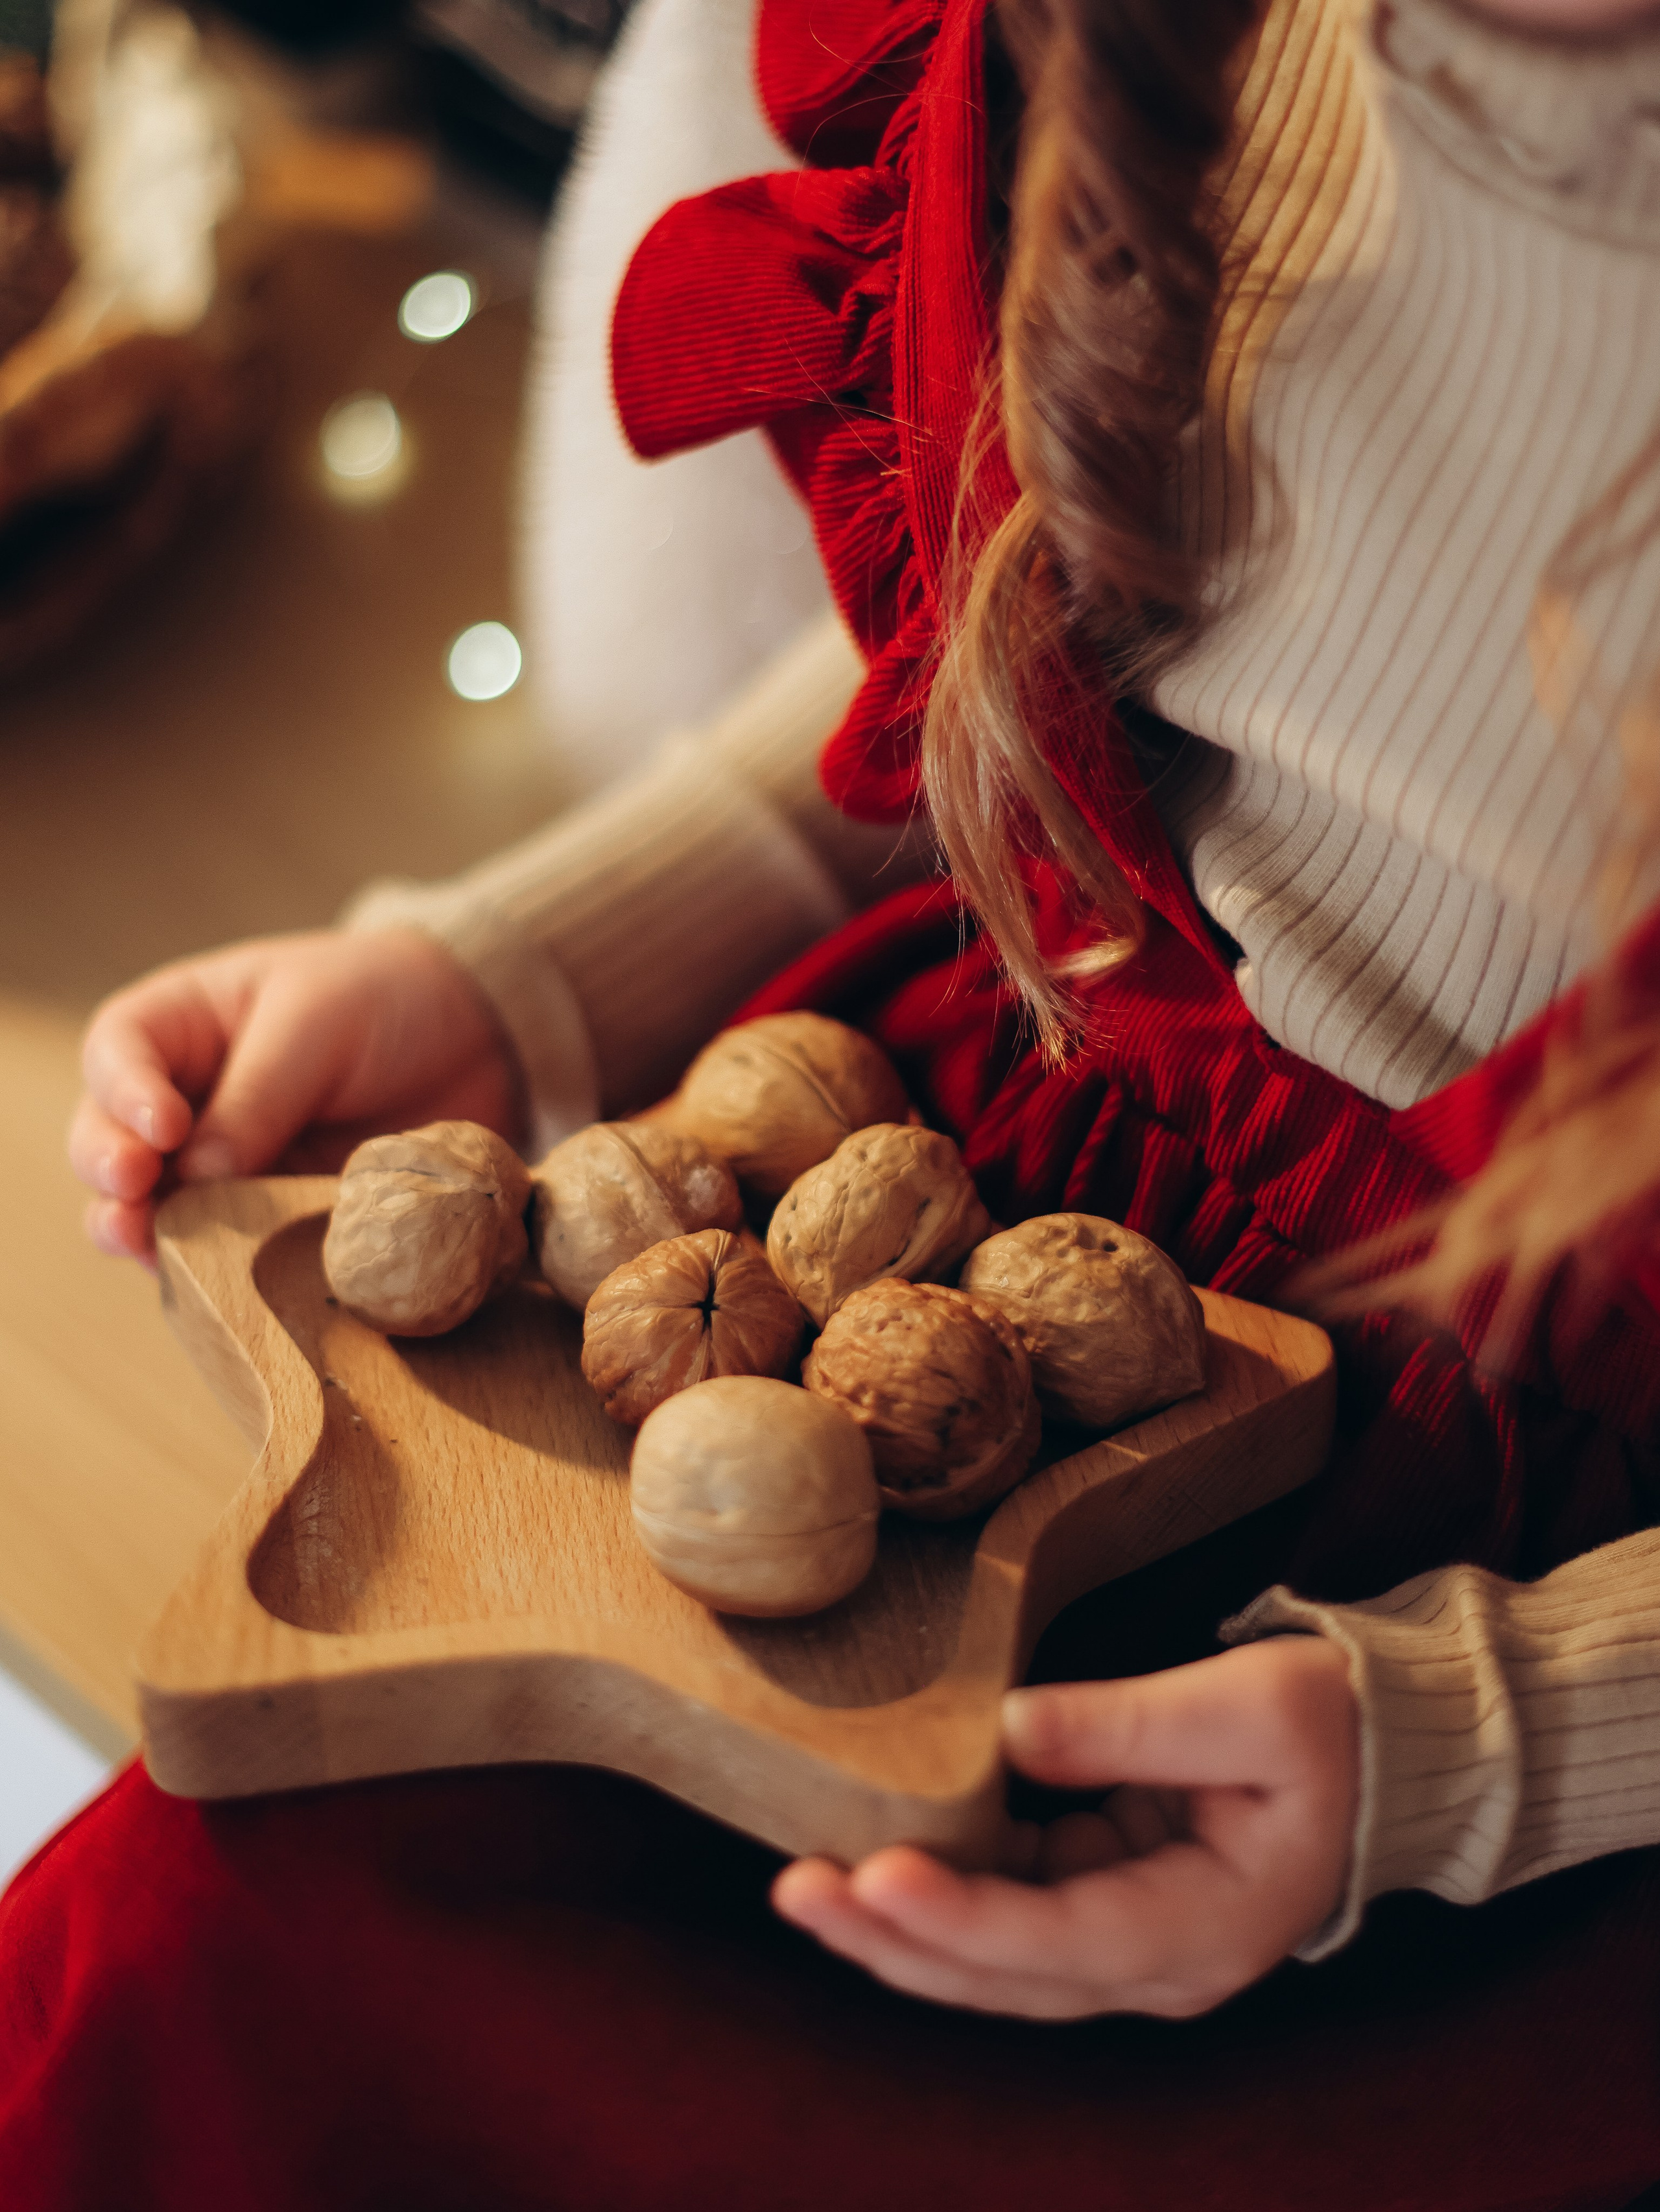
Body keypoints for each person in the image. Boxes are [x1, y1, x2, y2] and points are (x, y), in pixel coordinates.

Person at [9, 0, 1660, 2200]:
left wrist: (1480, 1740)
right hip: (983, 1160)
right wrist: (518, 966)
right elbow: (1033, 636)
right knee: (199, 1945)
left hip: (1495, 1619)